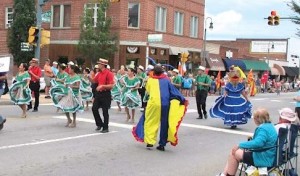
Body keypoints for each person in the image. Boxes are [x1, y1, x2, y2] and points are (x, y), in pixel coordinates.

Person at [132, 65, 188, 151]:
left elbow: (148, 91)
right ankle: (162, 144)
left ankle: (150, 142)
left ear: (154, 72)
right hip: (165, 104)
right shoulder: (167, 80)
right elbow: (173, 91)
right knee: (164, 124)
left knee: (151, 122)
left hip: (153, 104)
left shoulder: (150, 80)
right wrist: (182, 99)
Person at [216, 108, 278, 176]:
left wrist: (240, 145)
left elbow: (258, 143)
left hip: (262, 157)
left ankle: (226, 175)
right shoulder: (270, 126)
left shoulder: (263, 129)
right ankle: (224, 174)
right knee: (234, 152)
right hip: (267, 154)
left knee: (234, 153)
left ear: (257, 119)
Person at [89, 58, 114, 133]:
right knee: (94, 108)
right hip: (99, 93)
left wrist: (103, 86)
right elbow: (94, 81)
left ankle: (105, 127)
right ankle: (99, 124)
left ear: (103, 65)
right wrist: (88, 77)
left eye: (99, 64)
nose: (98, 65)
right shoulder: (99, 73)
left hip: (105, 93)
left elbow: (111, 85)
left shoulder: (109, 74)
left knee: (105, 111)